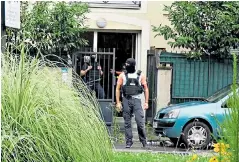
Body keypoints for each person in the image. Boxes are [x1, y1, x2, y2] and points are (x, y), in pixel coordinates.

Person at [115, 58, 149, 148]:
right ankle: (129, 141)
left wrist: (146, 102)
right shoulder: (123, 75)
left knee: (140, 122)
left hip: (137, 101)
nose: (126, 66)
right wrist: (118, 102)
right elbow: (118, 89)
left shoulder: (141, 75)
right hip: (126, 100)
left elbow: (145, 88)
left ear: (133, 65)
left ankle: (143, 141)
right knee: (127, 122)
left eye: (128, 65)